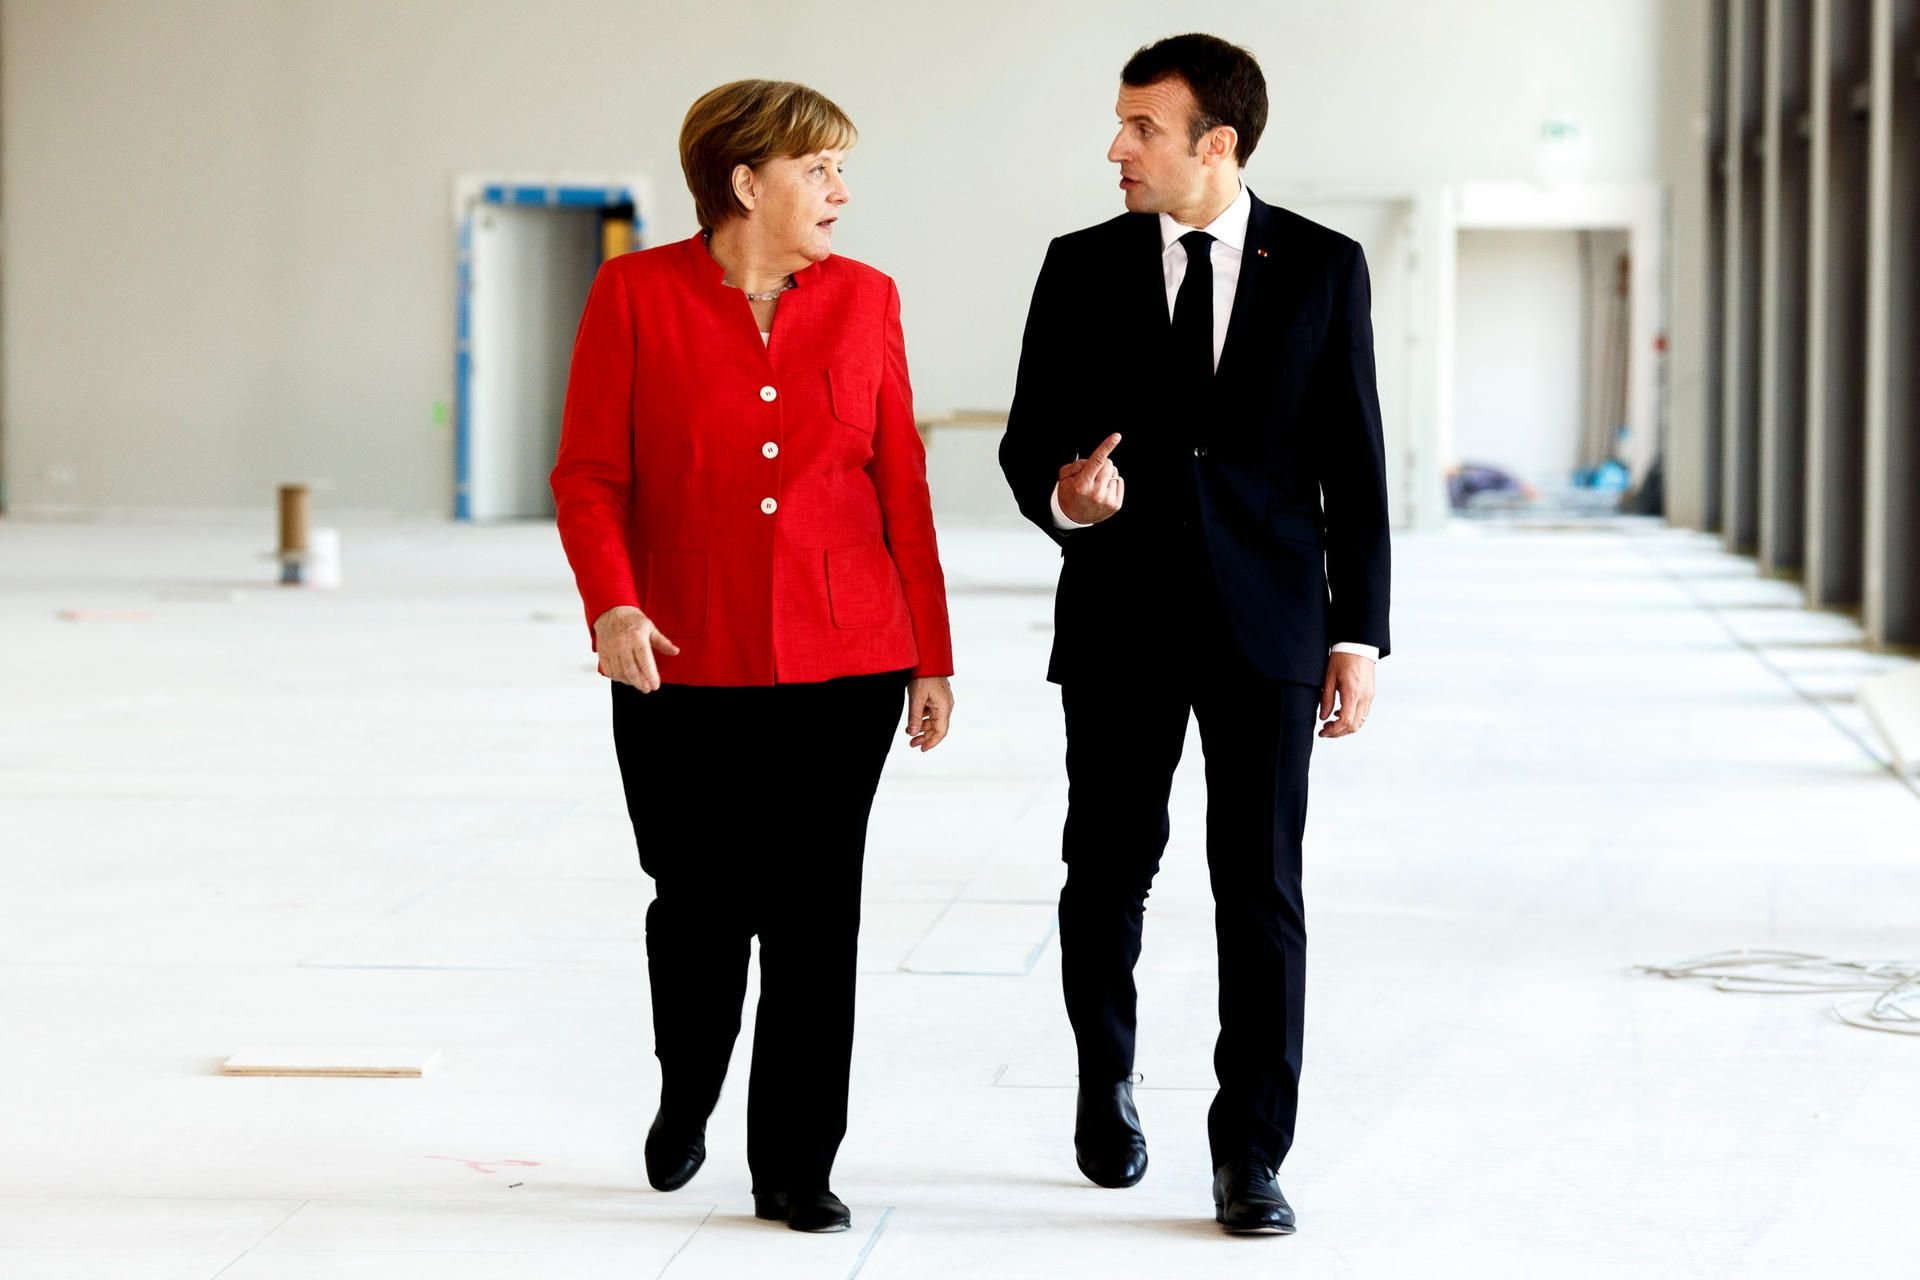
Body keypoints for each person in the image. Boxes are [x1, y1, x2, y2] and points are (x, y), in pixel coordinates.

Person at [999, 33, 1391, 1236]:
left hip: (1271, 621)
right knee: (1107, 870)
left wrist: (1358, 632)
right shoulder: (1079, 265)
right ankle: (1105, 1078)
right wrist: (1071, 497)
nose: (1117, 148)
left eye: (1144, 128)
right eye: (1120, 125)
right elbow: (1030, 446)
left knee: (1260, 887)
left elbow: (1355, 466)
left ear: (1216, 143)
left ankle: (1250, 1152)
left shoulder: (1324, 265)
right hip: (1120, 615)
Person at [550, 78, 955, 1235]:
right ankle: (690, 1079)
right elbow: (588, 476)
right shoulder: (633, 294)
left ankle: (795, 1164)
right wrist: (612, 605)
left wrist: (930, 652)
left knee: (817, 913)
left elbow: (901, 484)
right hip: (679, 655)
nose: (841, 190)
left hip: (849, 657)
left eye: (840, 170)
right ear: (745, 182)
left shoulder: (867, 299)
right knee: (697, 897)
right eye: (819, 169)